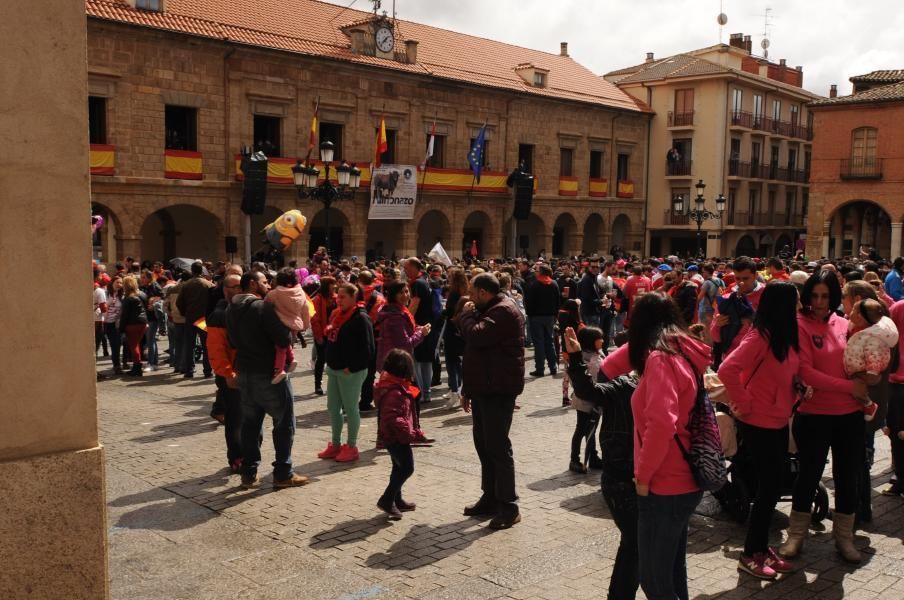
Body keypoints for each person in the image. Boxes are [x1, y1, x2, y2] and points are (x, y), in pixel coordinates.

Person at [617, 291, 708, 600]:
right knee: (671, 571)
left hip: (665, 481)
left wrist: (642, 476)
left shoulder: (660, 358)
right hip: (685, 477)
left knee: (654, 579)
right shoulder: (683, 350)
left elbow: (661, 423)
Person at [780, 271, 868, 563]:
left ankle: (844, 538)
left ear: (834, 296)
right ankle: (796, 535)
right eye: (814, 295)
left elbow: (858, 364)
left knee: (848, 477)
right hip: (814, 415)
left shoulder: (845, 324)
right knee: (808, 476)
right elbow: (805, 371)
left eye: (825, 296)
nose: (819, 302)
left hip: (850, 415)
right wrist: (850, 387)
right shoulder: (798, 325)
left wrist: (869, 381)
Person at [718, 281, 800, 580]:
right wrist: (744, 401)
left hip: (778, 417)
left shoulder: (785, 337)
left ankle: (761, 548)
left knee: (773, 487)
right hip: (757, 421)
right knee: (767, 490)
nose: (799, 307)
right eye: (795, 301)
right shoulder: (760, 336)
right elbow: (727, 368)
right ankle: (750, 554)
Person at [564, 326, 639, 600]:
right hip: (621, 478)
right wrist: (575, 360)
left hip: (654, 479)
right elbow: (588, 391)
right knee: (635, 541)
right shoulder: (623, 387)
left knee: (640, 544)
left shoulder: (669, 387)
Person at [226, 270, 308, 489]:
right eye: (264, 282)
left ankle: (249, 472)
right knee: (284, 423)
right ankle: (283, 473)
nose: (268, 285)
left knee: (250, 424)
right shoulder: (263, 307)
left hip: (244, 372)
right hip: (268, 373)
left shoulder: (231, 308)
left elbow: (232, 341)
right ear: (253, 284)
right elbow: (282, 337)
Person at [459, 273, 525, 530]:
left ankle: (509, 506)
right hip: (484, 387)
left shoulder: (503, 311)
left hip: (499, 389)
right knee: (484, 445)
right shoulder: (489, 309)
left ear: (484, 292)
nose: (470, 299)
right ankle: (491, 497)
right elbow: (476, 353)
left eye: (473, 294)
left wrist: (464, 315)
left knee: (497, 447)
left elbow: (475, 336)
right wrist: (468, 389)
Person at [318, 282, 375, 463]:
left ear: (353, 297)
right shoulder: (338, 315)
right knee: (333, 408)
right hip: (334, 369)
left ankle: (351, 446)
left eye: (343, 296)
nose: (338, 299)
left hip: (350, 372)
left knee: (350, 409)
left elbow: (368, 348)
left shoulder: (360, 318)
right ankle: (335, 444)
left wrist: (352, 367)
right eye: (337, 296)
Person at [374, 349, 420, 520]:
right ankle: (387, 499)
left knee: (398, 467)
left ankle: (397, 499)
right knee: (407, 468)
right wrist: (407, 432)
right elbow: (392, 418)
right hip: (396, 437)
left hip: (393, 436)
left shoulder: (393, 386)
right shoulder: (394, 391)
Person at [206, 273, 244, 473]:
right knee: (235, 418)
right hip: (231, 375)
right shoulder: (219, 314)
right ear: (226, 290)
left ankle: (247, 453)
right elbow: (216, 350)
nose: (241, 289)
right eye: (236, 286)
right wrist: (228, 374)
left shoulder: (242, 308)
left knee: (248, 417)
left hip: (247, 373)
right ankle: (236, 457)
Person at [845, 298, 898, 421]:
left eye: (853, 309)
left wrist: (871, 373)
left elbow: (874, 355)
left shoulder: (874, 338)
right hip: (857, 369)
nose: (850, 311)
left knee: (859, 391)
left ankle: (869, 405)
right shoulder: (859, 328)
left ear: (860, 317)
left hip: (864, 373)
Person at [264, 267, 312, 384]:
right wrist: (306, 324)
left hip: (281, 324)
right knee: (286, 344)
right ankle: (291, 359)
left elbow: (264, 305)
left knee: (280, 347)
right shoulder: (300, 292)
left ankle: (279, 370)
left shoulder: (274, 294)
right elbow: (305, 310)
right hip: (295, 325)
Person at [404, 258, 441, 404]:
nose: (405, 271)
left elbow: (414, 304)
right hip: (430, 325)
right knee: (426, 361)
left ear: (413, 267)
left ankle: (419, 392)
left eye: (407, 268)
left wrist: (406, 319)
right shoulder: (427, 280)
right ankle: (426, 393)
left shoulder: (418, 283)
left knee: (418, 361)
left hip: (419, 326)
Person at [568, 326, 605, 474]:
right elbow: (575, 379)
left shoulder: (599, 353)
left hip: (596, 399)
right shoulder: (581, 358)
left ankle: (593, 457)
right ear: (591, 341)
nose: (602, 340)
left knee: (592, 429)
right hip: (584, 401)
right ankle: (574, 459)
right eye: (599, 339)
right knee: (581, 429)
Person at [176, 261, 215, 378]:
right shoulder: (209, 285)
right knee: (206, 345)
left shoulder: (186, 285)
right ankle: (207, 370)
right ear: (202, 271)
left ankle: (189, 370)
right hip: (203, 319)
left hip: (191, 318)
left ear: (192, 271)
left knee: (189, 345)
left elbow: (179, 302)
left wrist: (185, 313)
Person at [357, 269, 386, 412]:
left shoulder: (353, 295)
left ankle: (347, 400)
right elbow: (383, 318)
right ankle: (365, 401)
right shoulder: (380, 298)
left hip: (355, 337)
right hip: (374, 337)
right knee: (370, 371)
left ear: (359, 281)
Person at [525, 264, 560, 377]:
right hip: (550, 317)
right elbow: (557, 301)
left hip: (536, 317)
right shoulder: (554, 284)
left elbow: (529, 302)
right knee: (549, 342)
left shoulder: (535, 284)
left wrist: (530, 314)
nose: (535, 272)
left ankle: (540, 368)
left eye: (537, 270)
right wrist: (555, 315)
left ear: (541, 272)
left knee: (539, 343)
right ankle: (553, 367)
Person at [311, 276, 337, 396]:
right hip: (322, 333)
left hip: (334, 334)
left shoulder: (336, 298)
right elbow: (315, 319)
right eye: (333, 284)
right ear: (327, 285)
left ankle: (333, 385)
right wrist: (318, 335)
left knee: (333, 360)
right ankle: (318, 385)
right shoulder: (317, 299)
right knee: (321, 359)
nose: (335, 286)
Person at [120, 275, 148, 377]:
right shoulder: (141, 295)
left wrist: (121, 328)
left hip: (132, 324)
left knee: (134, 346)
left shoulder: (128, 298)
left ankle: (137, 368)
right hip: (142, 323)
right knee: (137, 345)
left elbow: (124, 315)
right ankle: (137, 366)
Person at [557, 299, 583, 406]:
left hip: (565, 350)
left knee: (566, 374)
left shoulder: (561, 318)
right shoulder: (576, 321)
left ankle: (565, 397)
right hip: (577, 351)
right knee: (579, 374)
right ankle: (577, 395)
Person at [139, 269, 164, 372]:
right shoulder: (143, 287)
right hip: (146, 316)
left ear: (149, 278)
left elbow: (161, 298)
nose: (142, 279)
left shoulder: (154, 286)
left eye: (144, 277)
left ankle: (151, 363)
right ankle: (155, 363)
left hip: (152, 317)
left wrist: (154, 303)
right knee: (151, 340)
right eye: (142, 277)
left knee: (150, 340)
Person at [103, 275, 124, 375]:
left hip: (116, 324)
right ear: (112, 283)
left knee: (116, 344)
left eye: (121, 283)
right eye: (117, 282)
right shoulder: (105, 293)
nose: (119, 285)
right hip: (105, 323)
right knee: (111, 344)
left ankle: (117, 365)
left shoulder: (122, 295)